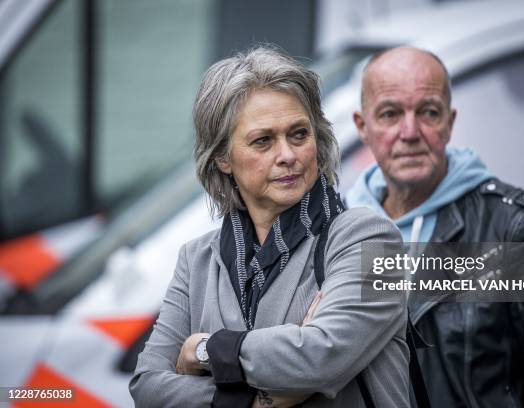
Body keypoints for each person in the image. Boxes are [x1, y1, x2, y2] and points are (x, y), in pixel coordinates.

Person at [129, 46, 411, 408]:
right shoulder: (196, 260)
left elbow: (319, 358)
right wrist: (257, 401)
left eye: (298, 134)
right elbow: (147, 389)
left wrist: (206, 349)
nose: (288, 155)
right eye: (263, 141)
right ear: (223, 158)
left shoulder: (367, 237)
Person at [346, 46, 524, 407]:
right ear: (362, 127)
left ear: (449, 121)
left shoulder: (518, 227)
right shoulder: (338, 232)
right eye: (390, 113)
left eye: (428, 112)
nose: (410, 131)